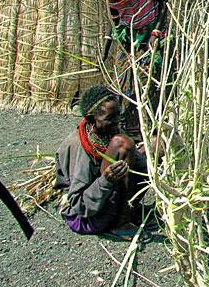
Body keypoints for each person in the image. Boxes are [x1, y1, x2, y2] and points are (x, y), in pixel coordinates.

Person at [93, 0, 168, 137]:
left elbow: (163, 0)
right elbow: (114, 17)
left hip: (151, 30)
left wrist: (156, 34)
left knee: (147, 80)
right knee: (123, 81)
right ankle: (131, 131)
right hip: (129, 35)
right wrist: (106, 48)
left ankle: (151, 130)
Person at [54, 86, 147, 235]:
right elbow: (78, 204)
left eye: (118, 115)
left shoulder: (109, 130)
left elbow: (141, 166)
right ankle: (120, 222)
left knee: (155, 144)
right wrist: (106, 180)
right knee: (121, 144)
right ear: (91, 119)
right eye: (110, 118)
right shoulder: (79, 146)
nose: (118, 121)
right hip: (85, 216)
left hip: (105, 201)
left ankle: (127, 209)